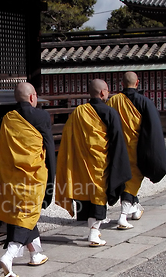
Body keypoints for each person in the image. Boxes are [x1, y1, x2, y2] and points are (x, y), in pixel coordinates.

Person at [0, 82, 56, 277]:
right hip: (33, 176)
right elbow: (49, 147)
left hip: (11, 176)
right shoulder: (41, 116)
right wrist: (52, 177)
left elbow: (3, 150)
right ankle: (9, 255)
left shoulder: (8, 118)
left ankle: (35, 253)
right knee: (28, 212)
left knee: (22, 213)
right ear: (33, 97)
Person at [55, 79, 131, 247]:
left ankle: (93, 230)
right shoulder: (110, 113)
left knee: (86, 194)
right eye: (107, 91)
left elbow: (68, 139)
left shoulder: (78, 112)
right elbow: (117, 141)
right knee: (98, 195)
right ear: (103, 92)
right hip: (100, 163)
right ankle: (94, 233)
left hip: (82, 163)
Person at [107, 71, 166, 229]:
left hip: (116, 149)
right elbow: (153, 129)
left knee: (124, 180)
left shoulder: (113, 101)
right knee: (132, 181)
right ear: (137, 83)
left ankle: (135, 209)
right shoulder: (144, 102)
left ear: (121, 83)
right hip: (135, 149)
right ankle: (122, 217)